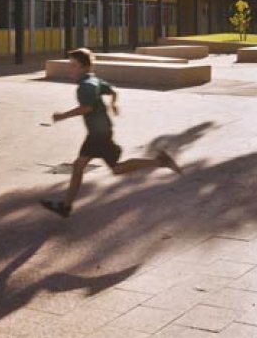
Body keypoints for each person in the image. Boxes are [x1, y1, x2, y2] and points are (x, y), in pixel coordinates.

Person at [40, 48, 182, 218]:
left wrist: (62, 116)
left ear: (84, 67)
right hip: (101, 131)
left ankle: (160, 161)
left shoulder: (85, 86)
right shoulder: (93, 80)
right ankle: (66, 206)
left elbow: (87, 107)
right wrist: (113, 104)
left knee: (108, 168)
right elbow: (113, 91)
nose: (70, 68)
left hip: (98, 134)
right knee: (89, 167)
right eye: (70, 65)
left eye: (74, 65)